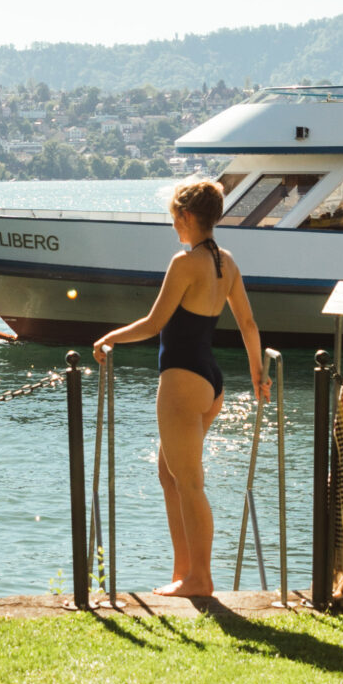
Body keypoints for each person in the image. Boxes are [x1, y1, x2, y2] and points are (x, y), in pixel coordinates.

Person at [93, 180, 270, 597]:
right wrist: (258, 373)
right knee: (169, 475)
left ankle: (200, 579)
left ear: (187, 217)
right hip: (210, 381)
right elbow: (248, 323)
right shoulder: (226, 262)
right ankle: (184, 571)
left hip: (182, 381)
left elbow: (154, 323)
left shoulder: (185, 262)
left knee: (189, 483)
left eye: (175, 218)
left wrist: (109, 338)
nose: (173, 225)